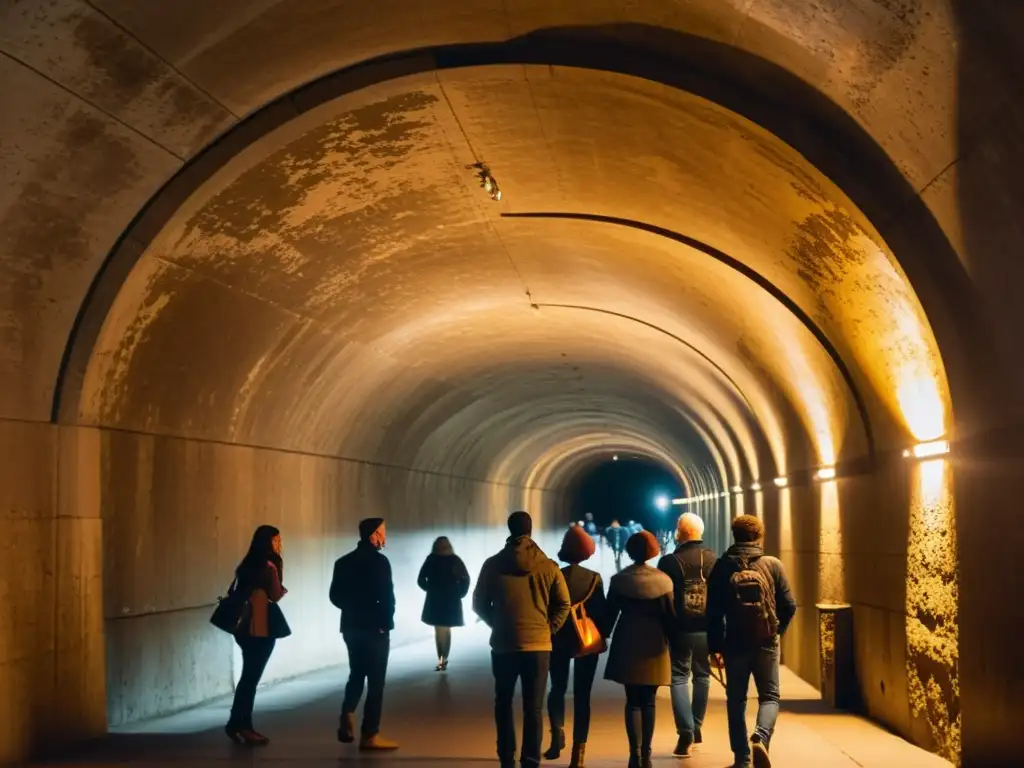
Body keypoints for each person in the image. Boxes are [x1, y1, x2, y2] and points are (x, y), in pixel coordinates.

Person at [473, 511, 571, 768]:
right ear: (530, 530)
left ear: (509, 529)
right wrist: (549, 629)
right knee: (534, 708)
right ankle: (530, 760)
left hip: (504, 645)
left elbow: (478, 603)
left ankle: (506, 758)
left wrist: (498, 624)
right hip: (538, 646)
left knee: (503, 703)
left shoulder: (492, 565)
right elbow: (564, 603)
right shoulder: (548, 566)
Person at [706, 515, 797, 768]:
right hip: (766, 640)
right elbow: (789, 605)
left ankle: (742, 759)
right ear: (760, 535)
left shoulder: (722, 566)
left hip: (734, 641)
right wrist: (777, 630)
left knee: (736, 699)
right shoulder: (772, 564)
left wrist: (715, 648)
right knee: (769, 696)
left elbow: (712, 612)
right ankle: (761, 737)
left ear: (734, 535)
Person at [604, 531, 675, 768]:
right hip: (655, 642)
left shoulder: (619, 580)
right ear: (654, 551)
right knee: (650, 701)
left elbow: (609, 616)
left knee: (632, 700)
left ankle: (633, 755)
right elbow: (670, 618)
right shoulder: (664, 581)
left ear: (629, 551)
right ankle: (647, 754)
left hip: (627, 640)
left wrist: (600, 636)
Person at [329, 518, 399, 751]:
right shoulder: (380, 563)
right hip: (375, 629)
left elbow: (335, 596)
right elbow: (387, 597)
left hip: (350, 626)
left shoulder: (343, 562)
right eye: (383, 533)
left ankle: (348, 711)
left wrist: (353, 608)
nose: (385, 538)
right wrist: (385, 623)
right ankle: (370, 735)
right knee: (376, 682)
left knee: (356, 673)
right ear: (373, 536)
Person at [544, 526, 608, 768]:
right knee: (583, 696)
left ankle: (556, 736)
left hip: (557, 639)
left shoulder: (554, 575)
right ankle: (578, 754)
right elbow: (601, 613)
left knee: (556, 688)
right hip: (586, 640)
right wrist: (604, 634)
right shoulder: (593, 579)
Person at [657, 512, 717, 757]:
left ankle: (685, 733)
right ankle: (697, 727)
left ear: (679, 533)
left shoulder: (668, 562)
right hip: (706, 629)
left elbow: (662, 600)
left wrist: (664, 629)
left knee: (679, 677)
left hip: (679, 629)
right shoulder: (714, 560)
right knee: (702, 677)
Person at [225, 525, 290, 746]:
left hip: (242, 626)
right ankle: (243, 726)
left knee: (248, 677)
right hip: (261, 623)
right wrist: (280, 585)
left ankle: (237, 722)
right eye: (276, 540)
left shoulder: (246, 565)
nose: (280, 544)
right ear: (267, 543)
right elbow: (275, 595)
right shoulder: (270, 566)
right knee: (251, 678)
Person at [417, 536, 470, 671]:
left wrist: (430, 589)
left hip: (435, 601)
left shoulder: (431, 559)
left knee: (439, 632)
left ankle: (441, 659)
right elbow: (465, 579)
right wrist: (460, 593)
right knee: (446, 631)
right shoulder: (454, 560)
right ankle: (444, 659)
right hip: (451, 600)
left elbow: (421, 579)